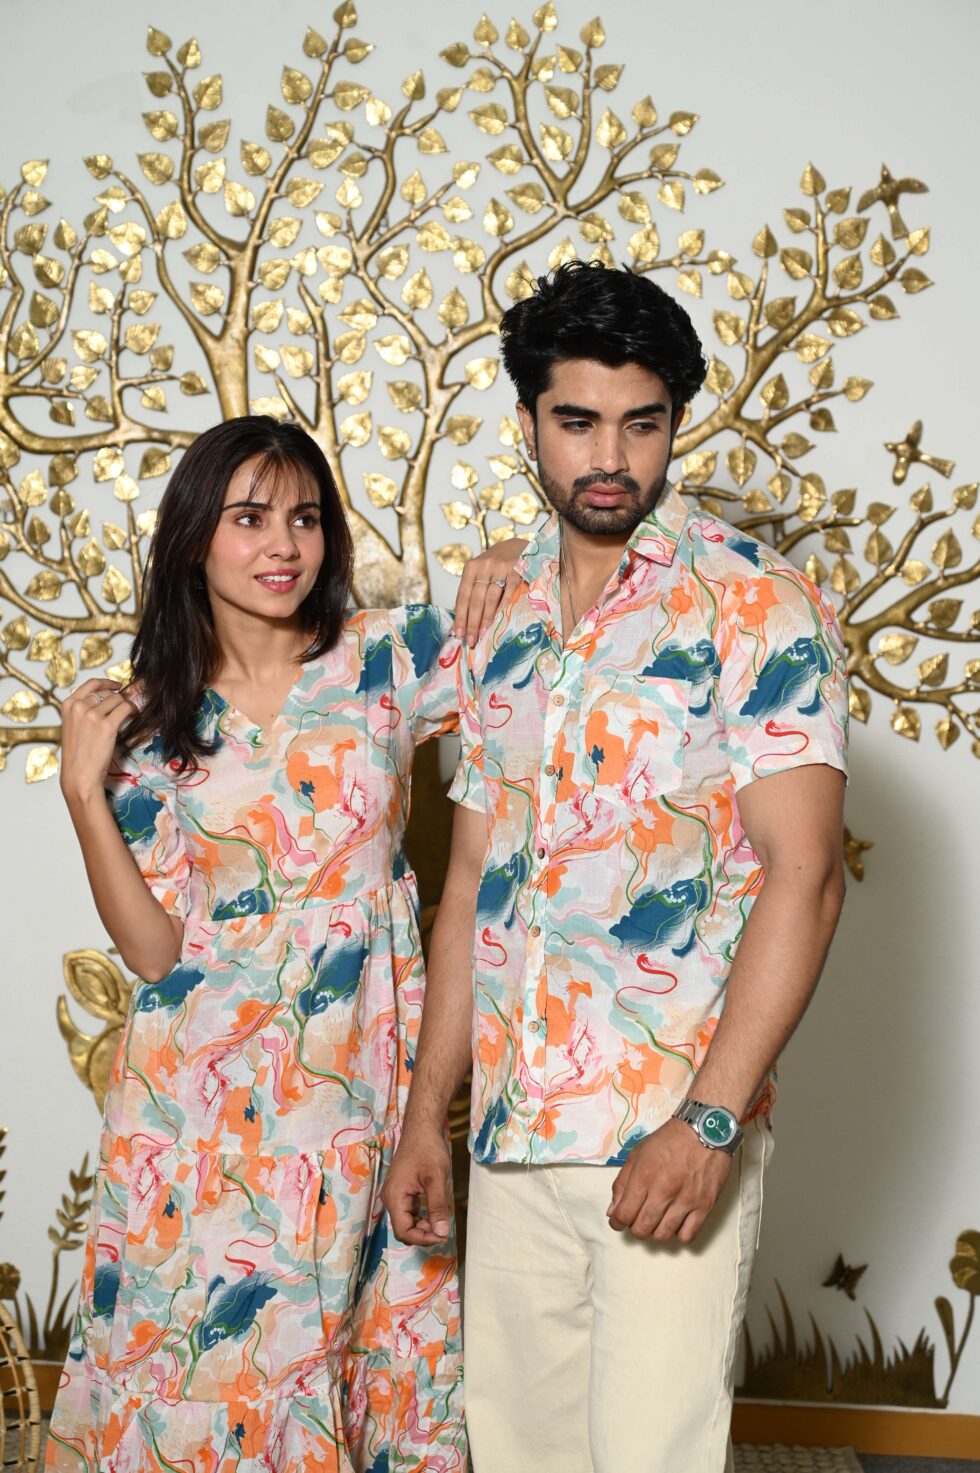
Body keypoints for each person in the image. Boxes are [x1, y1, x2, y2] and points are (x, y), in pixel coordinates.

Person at [383, 262, 849, 1473]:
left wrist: (707, 1121)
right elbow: (471, 886)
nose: (608, 459)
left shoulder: (755, 604)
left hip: (663, 1133)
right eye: (576, 421)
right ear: (526, 420)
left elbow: (806, 874)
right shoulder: (500, 617)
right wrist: (428, 1117)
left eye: (640, 424)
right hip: (510, 1132)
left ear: (673, 421)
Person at [49, 416, 516, 1472]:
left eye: (304, 519)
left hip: (359, 1080)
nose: (283, 546)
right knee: (206, 1363)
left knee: (358, 1343)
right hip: (200, 1107)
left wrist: (509, 561)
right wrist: (82, 790)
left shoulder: (388, 655)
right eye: (250, 518)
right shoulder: (150, 722)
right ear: (193, 539)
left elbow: (540, 645)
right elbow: (154, 952)